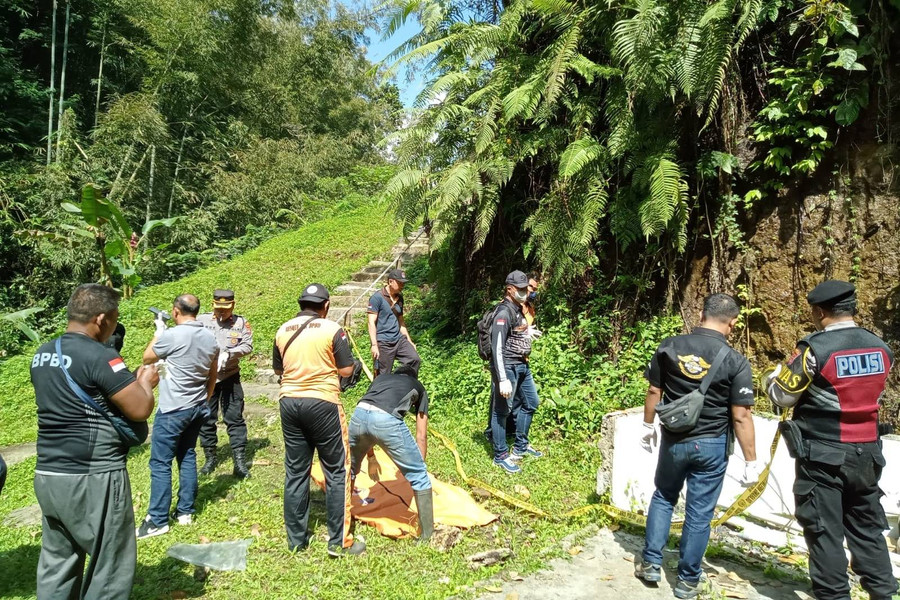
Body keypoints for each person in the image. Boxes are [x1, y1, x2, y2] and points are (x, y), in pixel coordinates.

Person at [764, 280, 897, 600]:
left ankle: (834, 595)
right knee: (867, 529)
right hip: (868, 455)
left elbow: (782, 396)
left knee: (824, 531)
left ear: (820, 312)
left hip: (823, 457)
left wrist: (771, 377)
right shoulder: (881, 347)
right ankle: (883, 593)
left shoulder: (814, 350)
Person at [29, 283, 159, 600]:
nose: (114, 325)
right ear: (101, 319)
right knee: (109, 567)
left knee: (58, 564)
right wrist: (146, 382)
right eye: (114, 319)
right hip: (93, 475)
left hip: (49, 474)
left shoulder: (43, 353)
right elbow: (139, 408)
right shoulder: (100, 356)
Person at [635, 293, 758, 599]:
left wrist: (648, 425)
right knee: (699, 513)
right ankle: (688, 581)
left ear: (701, 315)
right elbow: (741, 416)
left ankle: (650, 563)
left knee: (664, 496)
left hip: (674, 440)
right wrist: (751, 461)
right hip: (712, 445)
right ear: (732, 324)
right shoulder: (735, 361)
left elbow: (654, 390)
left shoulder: (669, 346)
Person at [273, 283, 363, 556]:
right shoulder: (332, 329)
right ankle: (339, 542)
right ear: (326, 306)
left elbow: (278, 370)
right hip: (323, 403)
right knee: (337, 470)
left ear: (301, 305)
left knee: (296, 471)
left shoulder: (282, 330)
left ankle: (296, 541)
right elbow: (346, 370)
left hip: (289, 403)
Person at [135, 294, 218, 539]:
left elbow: (147, 357)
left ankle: (158, 519)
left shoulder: (172, 335)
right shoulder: (210, 337)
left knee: (160, 463)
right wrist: (205, 398)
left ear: (175, 312)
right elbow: (213, 373)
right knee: (187, 454)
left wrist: (159, 331)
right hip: (198, 407)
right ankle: (185, 512)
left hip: (173, 410)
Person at [348, 364, 433, 542]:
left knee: (350, 470)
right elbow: (421, 435)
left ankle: (343, 521)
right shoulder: (418, 387)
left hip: (359, 415)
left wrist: (371, 457)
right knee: (420, 476)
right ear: (414, 378)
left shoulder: (380, 379)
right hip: (386, 420)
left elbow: (369, 416)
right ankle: (427, 536)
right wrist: (419, 466)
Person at [488, 270, 543, 474]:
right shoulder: (503, 313)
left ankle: (521, 446)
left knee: (531, 402)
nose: (524, 292)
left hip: (522, 365)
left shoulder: (518, 309)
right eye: (520, 289)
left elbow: (516, 331)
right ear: (510, 289)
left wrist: (527, 332)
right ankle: (500, 455)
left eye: (525, 288)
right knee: (502, 410)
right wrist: (502, 378)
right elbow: (497, 347)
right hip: (508, 366)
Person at [197, 289, 254, 478]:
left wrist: (230, 353)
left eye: (226, 308)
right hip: (207, 378)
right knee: (206, 417)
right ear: (212, 305)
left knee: (234, 417)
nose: (222, 312)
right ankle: (210, 457)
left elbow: (247, 345)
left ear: (233, 305)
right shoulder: (201, 321)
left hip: (230, 376)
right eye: (218, 308)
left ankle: (239, 460)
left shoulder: (241, 323)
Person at [367, 268, 421, 376]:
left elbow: (401, 322)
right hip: (383, 342)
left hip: (398, 339)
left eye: (403, 283)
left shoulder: (400, 298)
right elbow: (371, 322)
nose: (402, 285)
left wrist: (409, 341)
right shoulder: (376, 298)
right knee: (383, 375)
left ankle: (403, 383)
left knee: (414, 359)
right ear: (390, 281)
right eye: (399, 283)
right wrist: (374, 345)